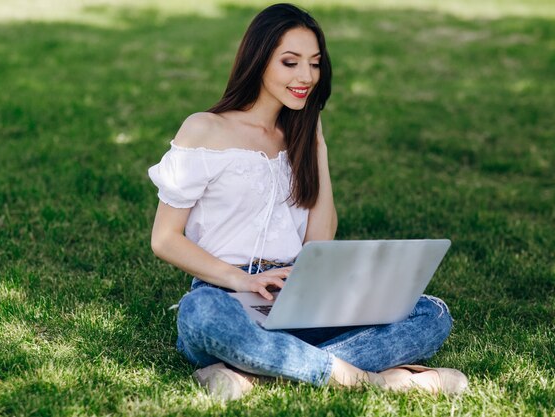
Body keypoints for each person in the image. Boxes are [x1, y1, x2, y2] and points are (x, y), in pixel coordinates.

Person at [148, 3, 468, 400]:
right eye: (290, 62)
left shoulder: (299, 135)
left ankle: (255, 375)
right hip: (225, 293)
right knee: (201, 315)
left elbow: (318, 243)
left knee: (430, 313)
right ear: (259, 60)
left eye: (315, 64)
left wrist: (317, 145)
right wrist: (242, 280)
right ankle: (372, 380)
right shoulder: (205, 129)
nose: (306, 76)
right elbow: (165, 238)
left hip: (295, 294)